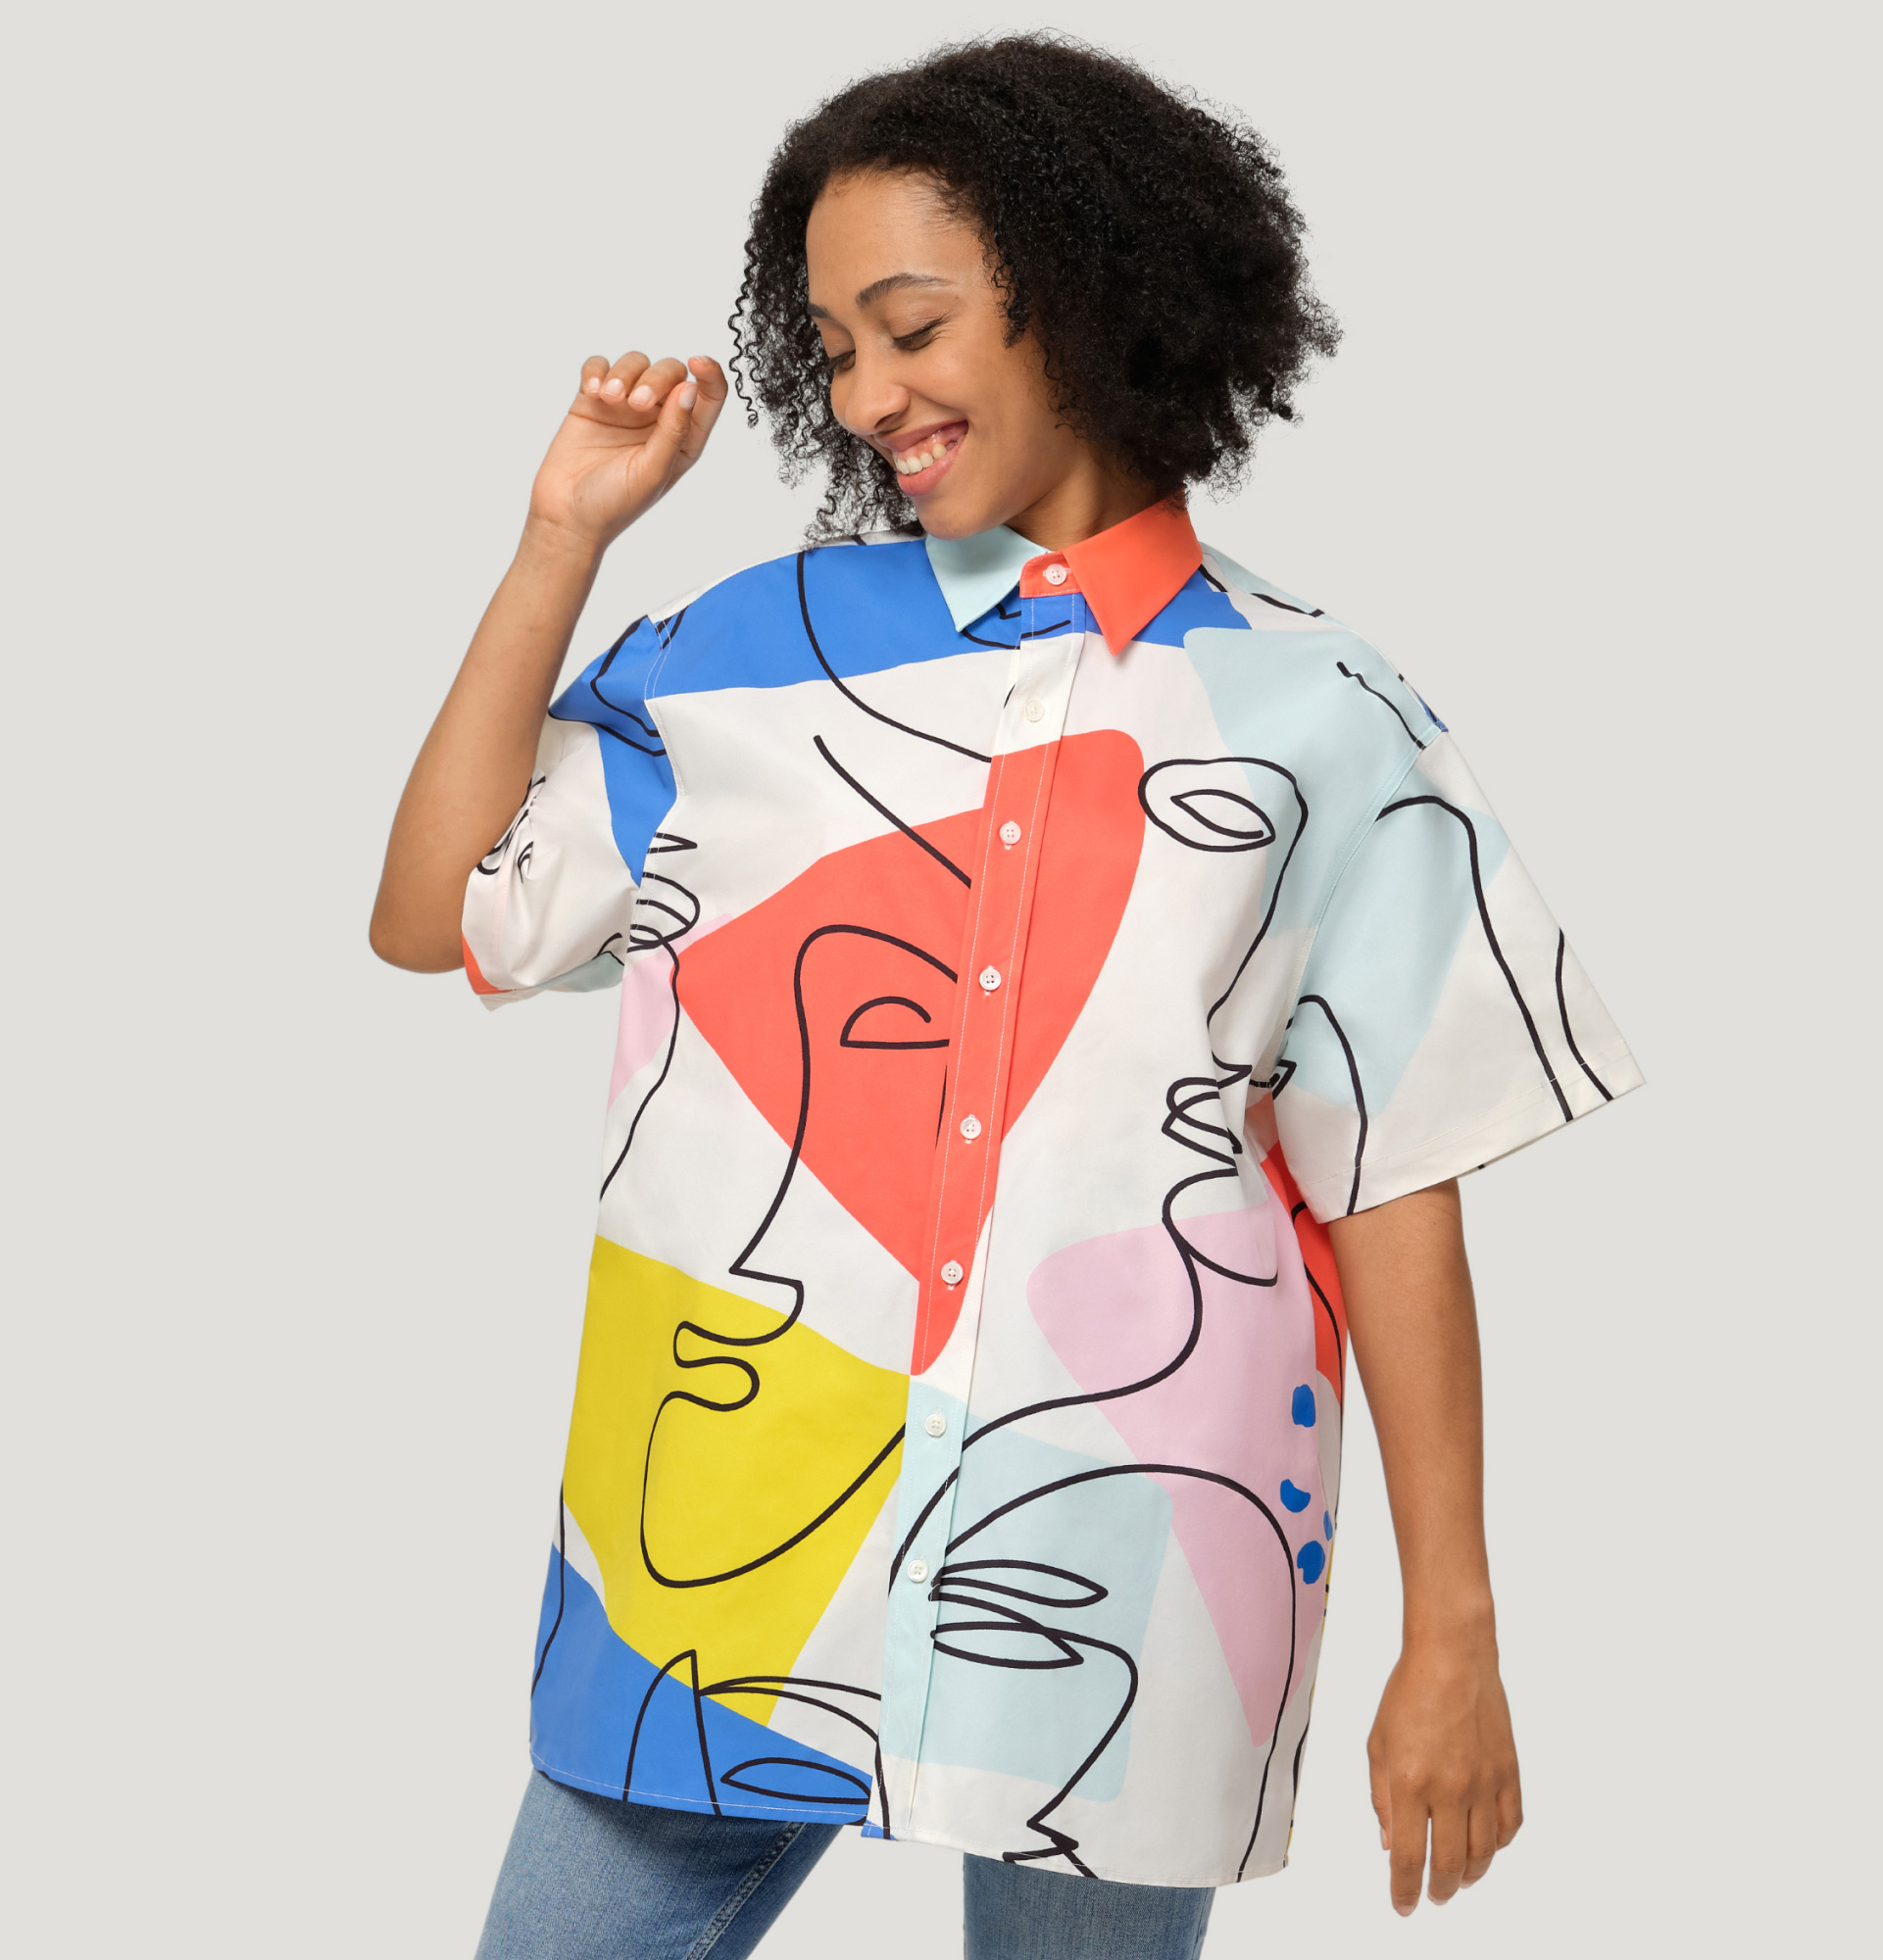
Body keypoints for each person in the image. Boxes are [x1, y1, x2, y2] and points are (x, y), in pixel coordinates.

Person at [371, 33, 1641, 1960]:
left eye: (911, 328)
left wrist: (1451, 1625)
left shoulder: (1322, 714)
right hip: (718, 1540)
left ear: (1091, 293)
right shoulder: (750, 657)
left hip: (1127, 1554)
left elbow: (1388, 1171)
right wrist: (565, 539)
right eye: (832, 348)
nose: (864, 394)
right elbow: (436, 914)